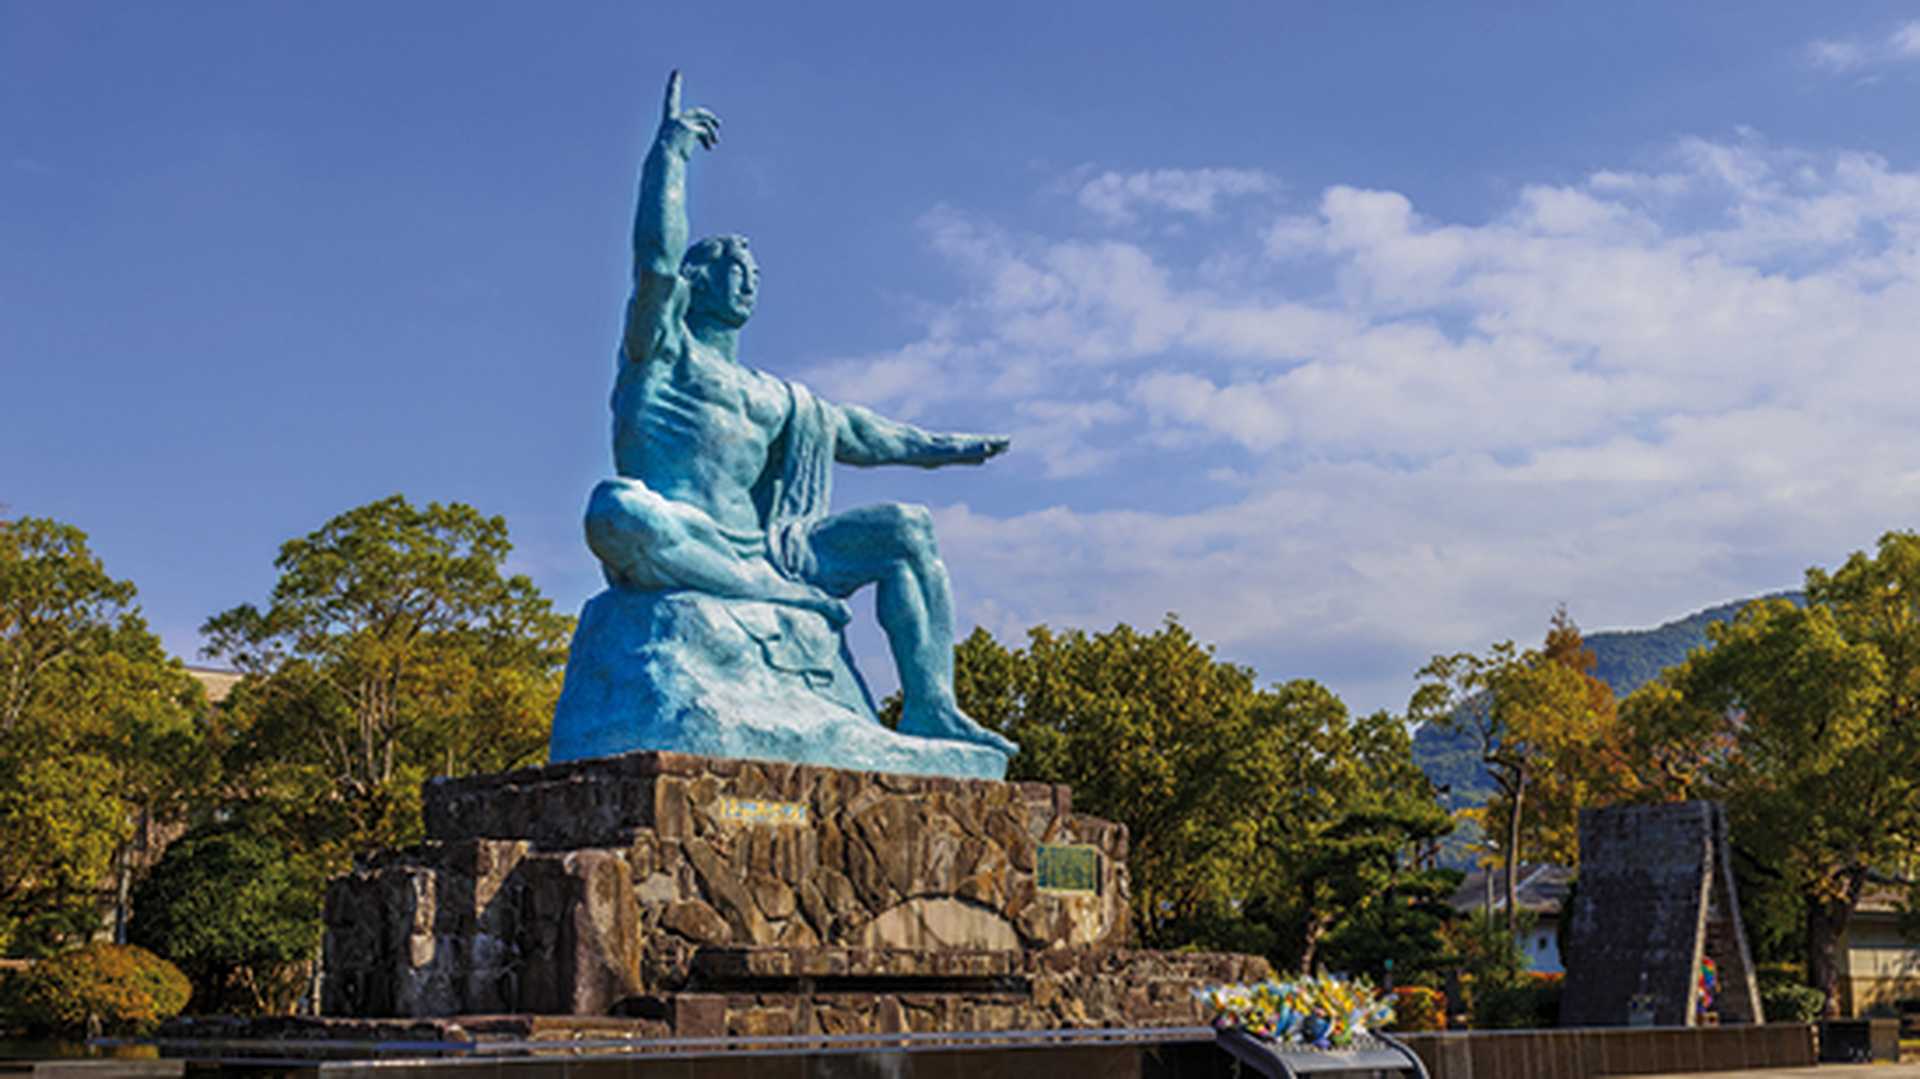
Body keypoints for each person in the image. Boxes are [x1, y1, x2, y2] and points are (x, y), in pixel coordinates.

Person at [584, 72, 1014, 755]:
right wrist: (670, 154)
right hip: (683, 537)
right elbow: (655, 263)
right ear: (698, 281)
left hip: (774, 554)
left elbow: (865, 434)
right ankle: (757, 590)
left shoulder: (777, 397)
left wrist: (949, 448)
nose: (749, 278)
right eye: (734, 266)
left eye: (755, 272)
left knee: (908, 530)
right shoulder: (661, 353)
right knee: (614, 510)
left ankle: (933, 707)